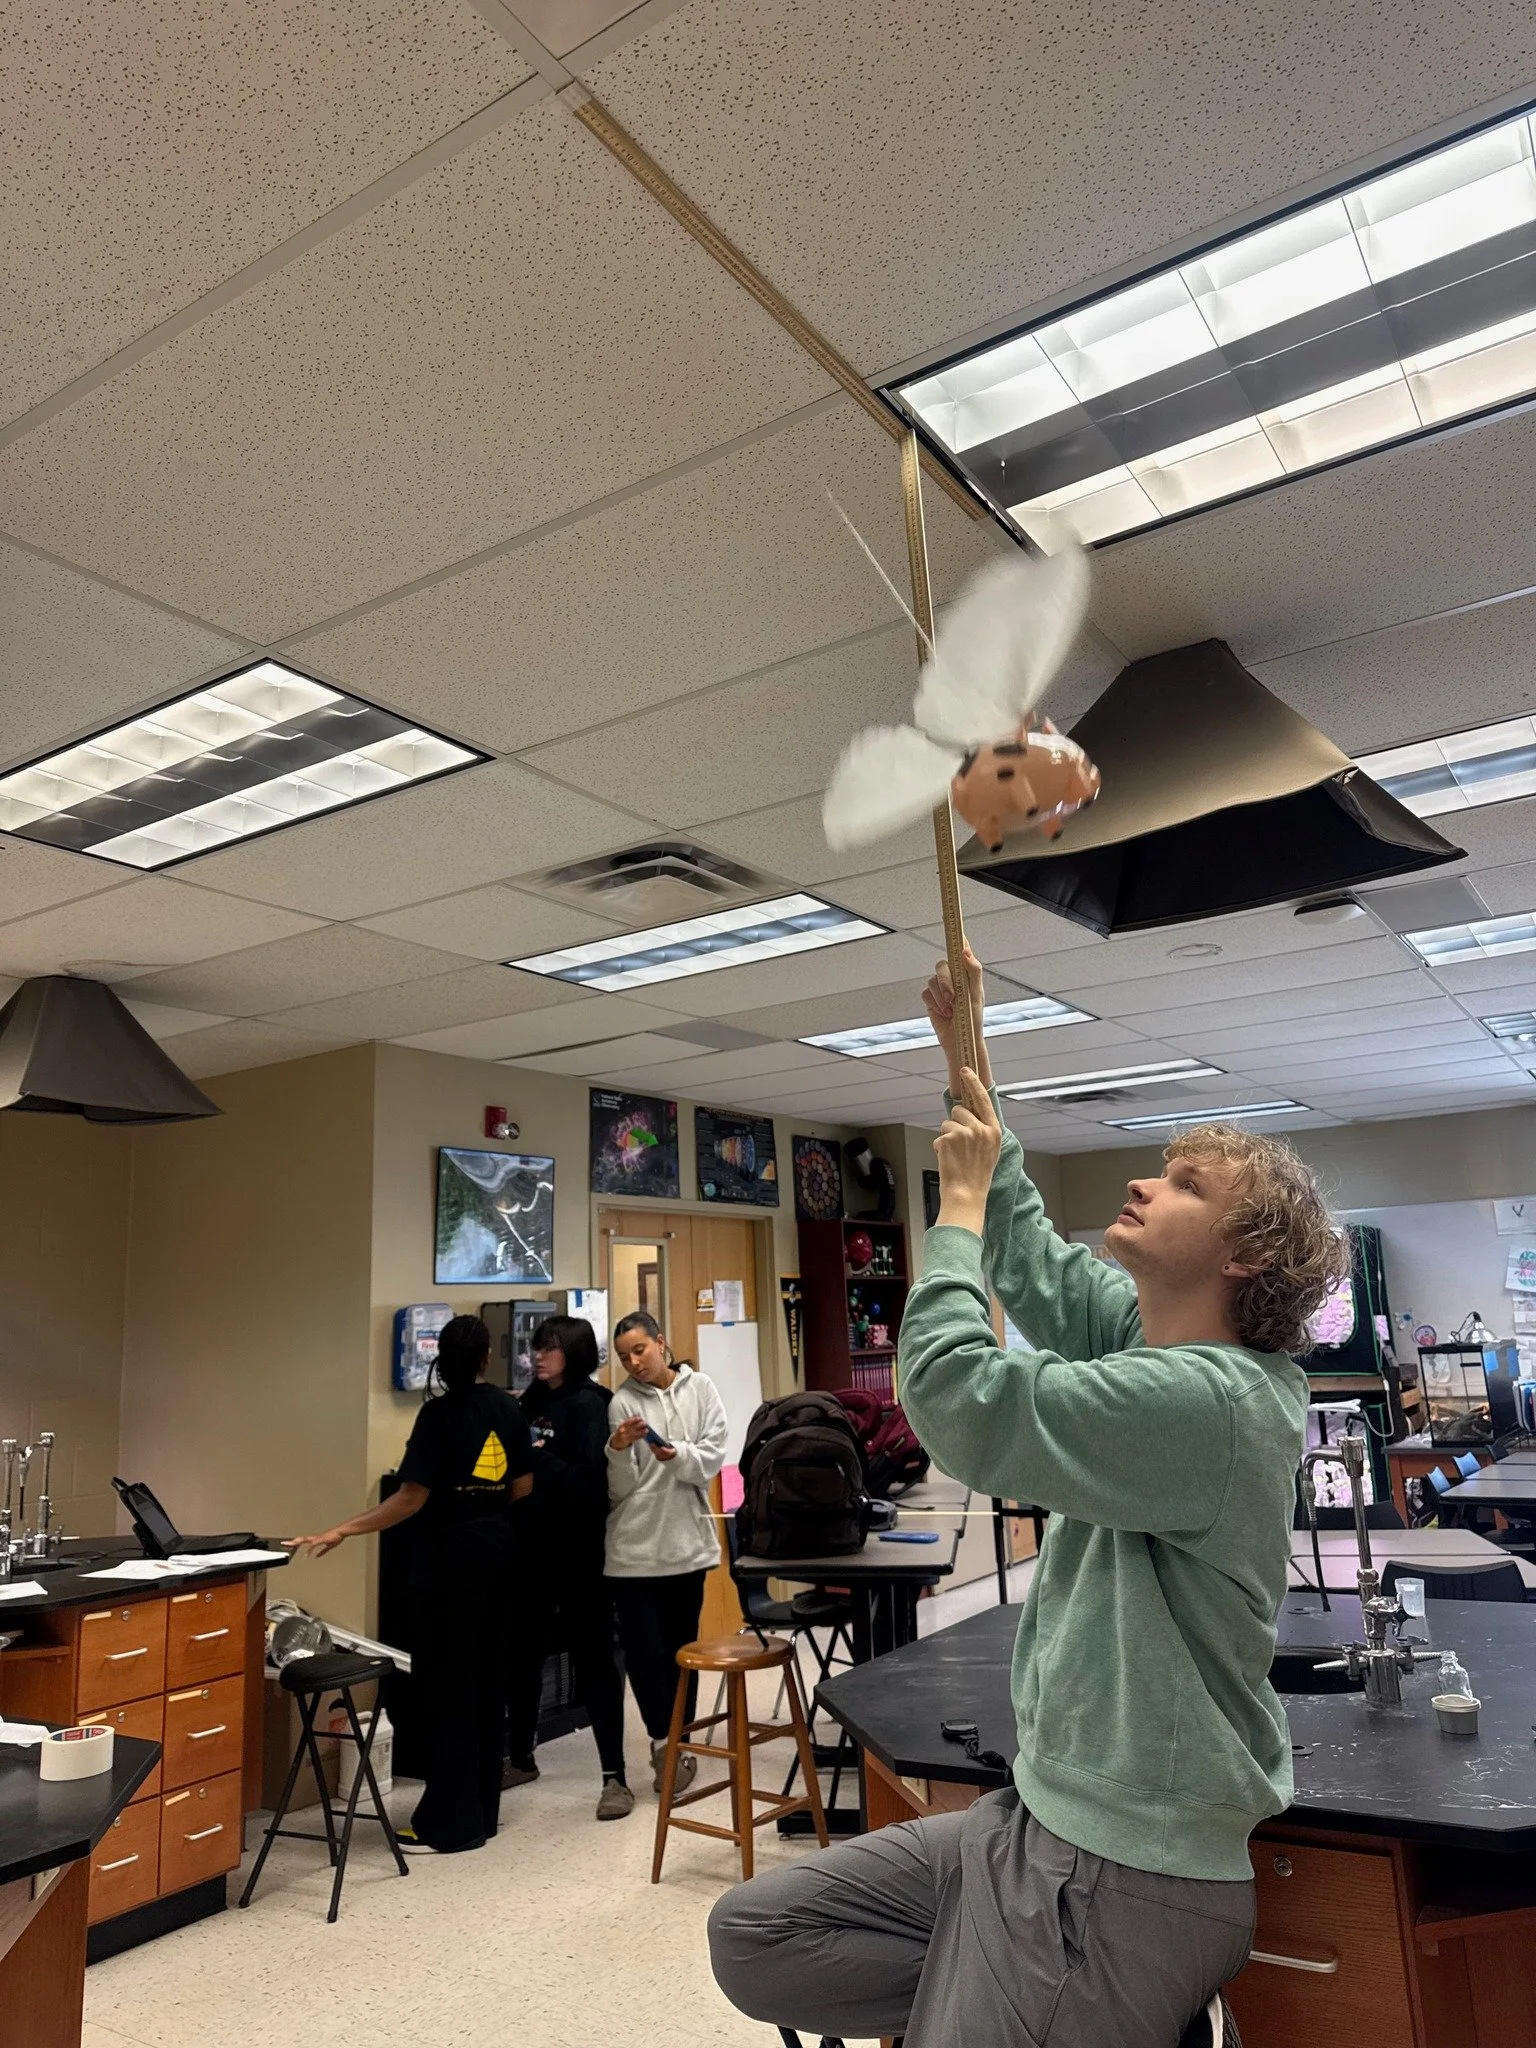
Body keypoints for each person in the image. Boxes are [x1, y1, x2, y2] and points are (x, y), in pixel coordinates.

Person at [710, 946, 1346, 2048]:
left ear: (1244, 1259)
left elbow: (963, 1396)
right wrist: (969, 1056)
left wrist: (947, 1210)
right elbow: (1032, 1250)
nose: (1144, 1181)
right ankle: (1027, 1995)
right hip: (1036, 1818)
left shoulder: (1212, 1400)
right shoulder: (1154, 1339)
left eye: (1186, 1184)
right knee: (759, 1934)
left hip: (1126, 1861)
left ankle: (1056, 1997)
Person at [288, 1314, 533, 1854]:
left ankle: (448, 1824)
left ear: (441, 1361)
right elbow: (523, 1484)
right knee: (488, 1684)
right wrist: (483, 1510)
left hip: (452, 1564)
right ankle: (481, 1816)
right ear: (486, 1356)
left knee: (450, 1691)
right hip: (497, 1554)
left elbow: (410, 1499)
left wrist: (342, 1529)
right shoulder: (507, 1407)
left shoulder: (438, 1415)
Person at [506, 1315, 631, 1821]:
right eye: (536, 1347)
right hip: (530, 1549)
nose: (538, 1356)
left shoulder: (593, 1404)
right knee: (522, 1656)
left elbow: (589, 1482)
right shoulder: (529, 1402)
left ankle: (615, 1778)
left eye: (550, 1348)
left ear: (573, 1351)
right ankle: (520, 1757)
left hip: (583, 1554)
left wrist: (538, 1462)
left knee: (596, 1662)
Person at [604, 1310, 730, 1795]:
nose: (634, 1362)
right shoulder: (621, 1404)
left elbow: (713, 1456)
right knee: (642, 1655)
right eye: (624, 1356)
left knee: (683, 1654)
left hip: (687, 1549)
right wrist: (618, 1450)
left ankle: (679, 1742)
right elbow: (620, 1491)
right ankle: (662, 1741)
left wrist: (678, 1456)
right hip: (633, 1552)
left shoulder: (701, 1390)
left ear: (661, 1342)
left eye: (640, 1350)